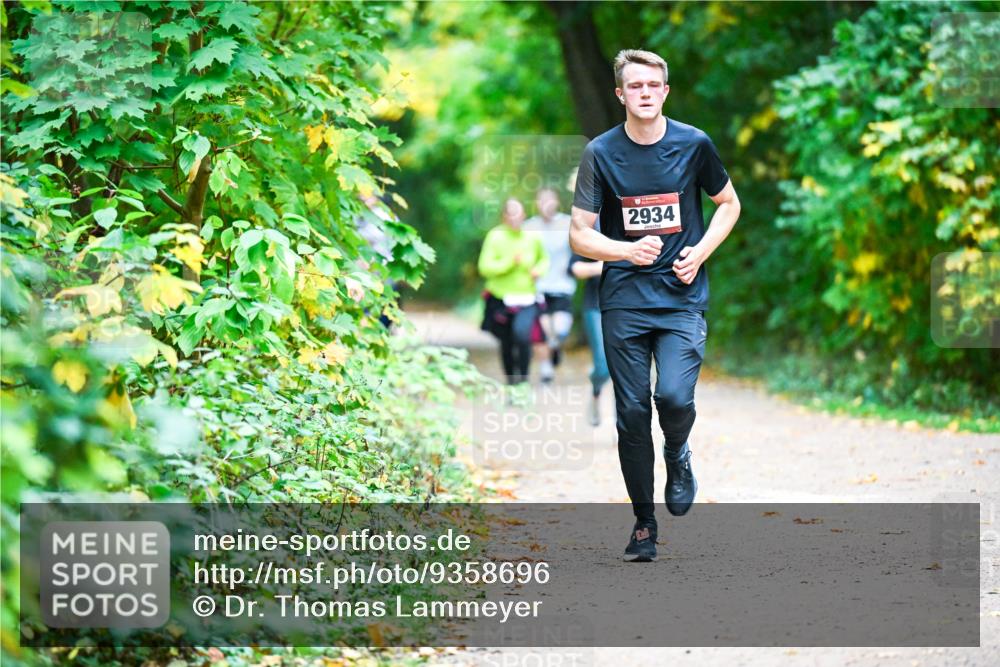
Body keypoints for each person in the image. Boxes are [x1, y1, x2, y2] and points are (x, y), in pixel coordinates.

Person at [569, 49, 741, 562]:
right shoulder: (600, 153)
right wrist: (624, 250)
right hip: (623, 300)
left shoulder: (694, 144)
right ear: (620, 94)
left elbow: (729, 204)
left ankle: (678, 452)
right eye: (635, 86)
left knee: (673, 398)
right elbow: (580, 236)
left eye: (654, 85)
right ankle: (644, 525)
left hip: (682, 296)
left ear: (665, 91)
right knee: (630, 412)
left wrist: (700, 252)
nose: (645, 93)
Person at [478, 198, 549, 385]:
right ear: (504, 217)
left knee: (522, 335)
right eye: (510, 213)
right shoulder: (495, 236)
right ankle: (512, 383)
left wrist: (538, 270)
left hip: (527, 298)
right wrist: (509, 263)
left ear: (524, 214)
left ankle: (524, 380)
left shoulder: (532, 236)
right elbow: (485, 267)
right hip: (500, 299)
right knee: (507, 343)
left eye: (518, 213)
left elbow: (544, 260)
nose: (514, 217)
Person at [523, 187, 575, 383]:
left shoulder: (568, 222)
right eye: (542, 201)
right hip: (538, 286)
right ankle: (546, 368)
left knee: (561, 329)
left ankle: (555, 346)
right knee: (542, 330)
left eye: (550, 200)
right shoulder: (529, 227)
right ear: (537, 204)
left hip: (563, 285)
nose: (546, 205)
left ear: (556, 202)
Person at [568, 242, 611, 427]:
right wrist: (608, 264)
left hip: (630, 306)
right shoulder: (591, 229)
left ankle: (623, 424)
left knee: (626, 368)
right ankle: (596, 391)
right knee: (602, 366)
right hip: (595, 306)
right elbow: (575, 268)